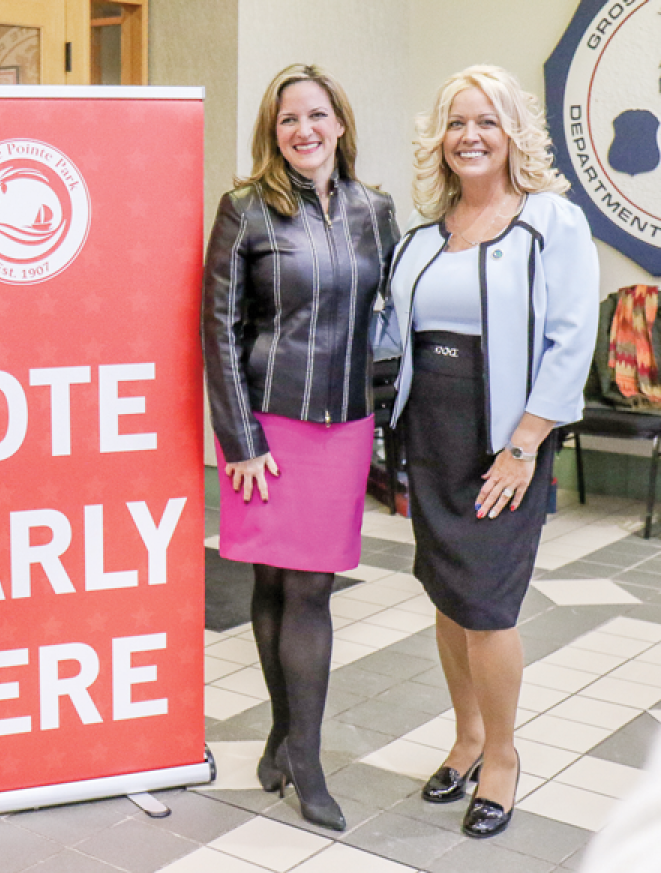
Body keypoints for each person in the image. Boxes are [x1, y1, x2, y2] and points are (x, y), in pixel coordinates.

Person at [388, 65, 598, 838]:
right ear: (438, 140)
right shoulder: (422, 235)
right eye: (456, 123)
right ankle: (467, 735)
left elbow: (572, 337)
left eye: (486, 121)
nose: (470, 136)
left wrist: (524, 444)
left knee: (487, 604)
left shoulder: (553, 221)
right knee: (448, 597)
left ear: (513, 133)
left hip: (506, 436)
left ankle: (503, 755)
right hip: (431, 435)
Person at [203, 63, 398, 832]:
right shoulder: (245, 208)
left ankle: (295, 746)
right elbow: (217, 330)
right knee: (273, 584)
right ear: (273, 131)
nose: (304, 130)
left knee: (310, 589)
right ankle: (298, 753)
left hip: (343, 424)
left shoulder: (375, 210)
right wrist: (240, 437)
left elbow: (387, 315)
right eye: (289, 119)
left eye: (317, 115)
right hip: (267, 426)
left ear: (340, 124)